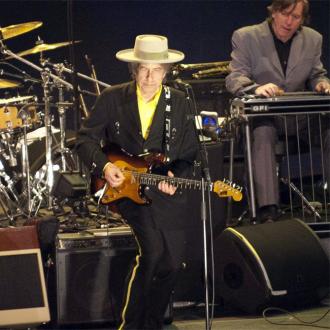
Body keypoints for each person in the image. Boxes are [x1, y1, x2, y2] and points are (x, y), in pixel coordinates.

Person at [75, 35, 198, 329]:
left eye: (157, 70)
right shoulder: (113, 98)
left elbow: (189, 154)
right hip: (129, 191)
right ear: (134, 69)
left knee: (171, 263)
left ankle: (153, 323)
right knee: (153, 252)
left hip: (166, 194)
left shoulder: (179, 102)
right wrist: (104, 166)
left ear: (166, 72)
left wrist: (175, 178)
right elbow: (83, 140)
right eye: (144, 68)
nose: (150, 76)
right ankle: (130, 326)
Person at [225, 0, 330, 222]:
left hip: (299, 120)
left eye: (296, 17)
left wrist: (322, 83)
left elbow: (316, 74)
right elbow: (235, 77)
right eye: (285, 14)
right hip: (265, 117)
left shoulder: (313, 39)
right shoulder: (246, 36)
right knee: (263, 133)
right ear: (274, 11)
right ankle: (268, 210)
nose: (289, 21)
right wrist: (256, 88)